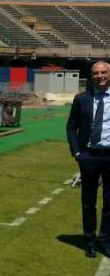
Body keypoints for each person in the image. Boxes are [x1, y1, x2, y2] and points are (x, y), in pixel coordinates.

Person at [67, 60, 110, 258]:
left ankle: (105, 240)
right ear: (91, 76)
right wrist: (77, 153)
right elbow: (71, 127)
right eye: (96, 73)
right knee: (88, 202)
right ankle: (90, 241)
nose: (100, 76)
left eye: (104, 72)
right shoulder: (81, 99)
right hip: (89, 156)